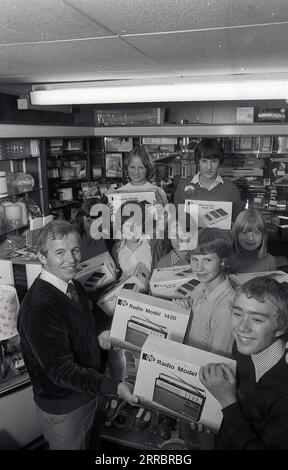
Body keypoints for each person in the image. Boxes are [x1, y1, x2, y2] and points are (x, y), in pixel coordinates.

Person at [17, 220, 126, 450]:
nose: (72, 259)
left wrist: (98, 338)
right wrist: (112, 386)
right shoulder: (39, 307)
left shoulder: (72, 284)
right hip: (66, 409)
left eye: (75, 250)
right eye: (60, 252)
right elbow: (61, 371)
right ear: (42, 257)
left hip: (88, 395)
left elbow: (79, 327)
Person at [200, 276, 288, 450]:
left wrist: (227, 401)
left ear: (280, 329)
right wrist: (210, 416)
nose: (241, 327)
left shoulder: (283, 396)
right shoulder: (243, 347)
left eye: (257, 319)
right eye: (238, 313)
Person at [173, 138, 243, 220]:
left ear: (220, 162)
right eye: (204, 161)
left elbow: (237, 224)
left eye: (213, 161)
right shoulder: (183, 187)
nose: (209, 167)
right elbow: (177, 221)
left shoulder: (231, 189)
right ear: (197, 161)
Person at [111, 200, 170, 276]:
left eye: (137, 225)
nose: (133, 230)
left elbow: (172, 255)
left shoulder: (154, 243)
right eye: (128, 226)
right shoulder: (116, 250)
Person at [229, 208, 276, 273]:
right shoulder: (229, 260)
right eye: (244, 232)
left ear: (263, 236)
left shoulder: (270, 261)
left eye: (256, 233)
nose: (250, 238)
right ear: (236, 234)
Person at [75, 197, 108, 261]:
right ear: (81, 220)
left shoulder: (108, 238)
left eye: (97, 221)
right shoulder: (76, 238)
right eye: (88, 221)